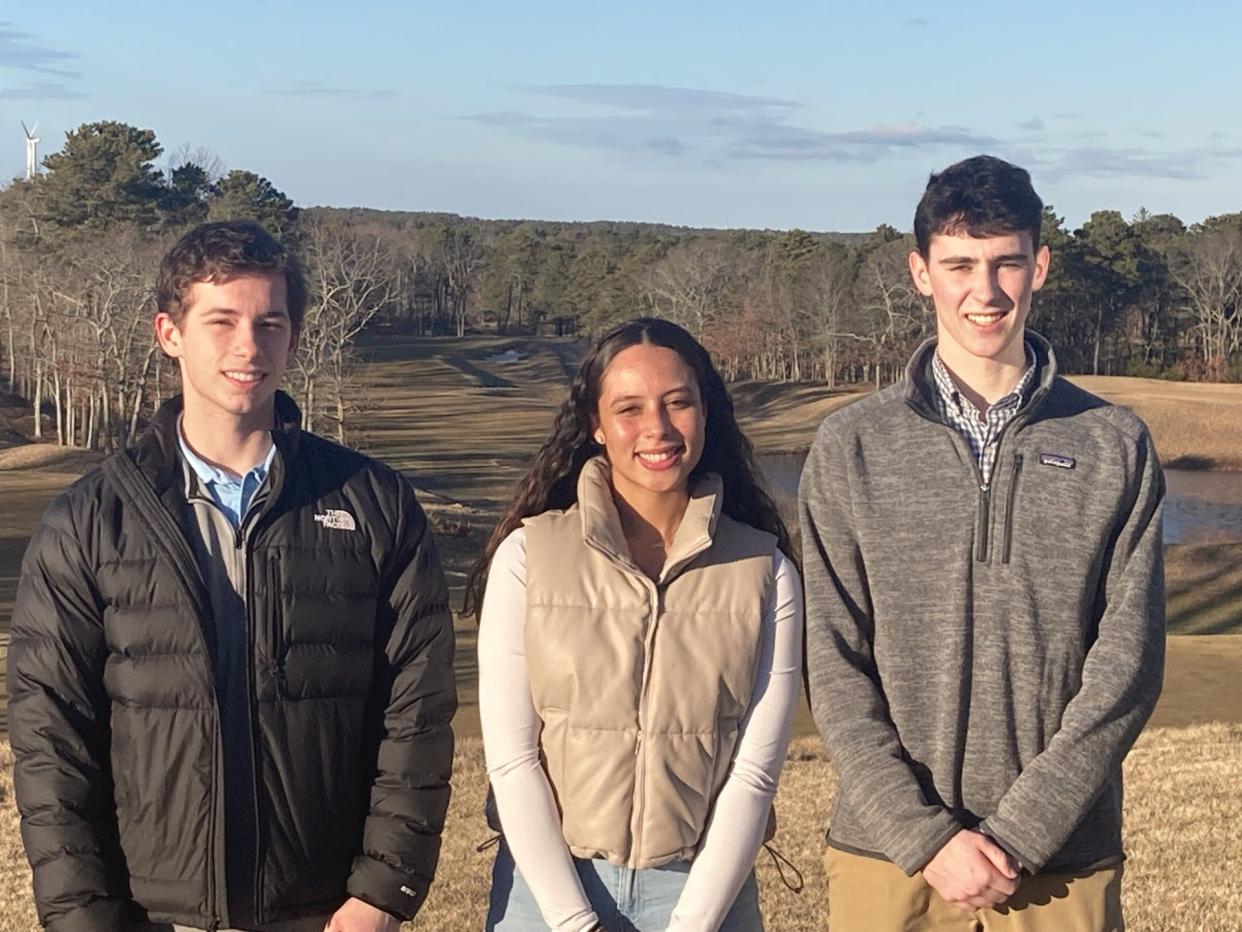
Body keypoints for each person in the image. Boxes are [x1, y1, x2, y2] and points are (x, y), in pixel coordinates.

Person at [8, 220, 457, 932]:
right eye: (222, 321)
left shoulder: (373, 504)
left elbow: (418, 712)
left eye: (269, 323)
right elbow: (50, 738)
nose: (249, 346)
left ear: (294, 338)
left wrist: (381, 894)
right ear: (169, 333)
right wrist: (83, 917)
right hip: (153, 915)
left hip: (326, 912)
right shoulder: (91, 520)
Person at [799, 154, 1165, 931]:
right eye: (959, 264)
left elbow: (1127, 668)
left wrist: (1019, 834)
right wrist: (925, 837)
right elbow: (832, 665)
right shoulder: (851, 445)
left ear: (1040, 266)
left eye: (1006, 263)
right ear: (921, 272)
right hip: (887, 860)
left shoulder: (1113, 444)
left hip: (1061, 865)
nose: (985, 290)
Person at [464, 317, 803, 931]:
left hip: (707, 894)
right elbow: (512, 760)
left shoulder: (765, 569)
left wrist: (692, 923)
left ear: (706, 412)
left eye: (679, 402)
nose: (658, 428)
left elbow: (754, 772)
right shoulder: (529, 557)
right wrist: (572, 921)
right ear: (595, 424)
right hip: (544, 896)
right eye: (630, 408)